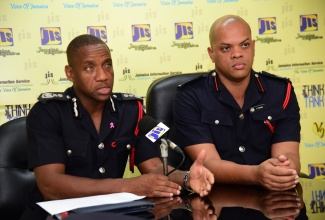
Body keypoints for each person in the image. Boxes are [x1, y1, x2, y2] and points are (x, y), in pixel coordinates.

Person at [21, 34, 214, 219]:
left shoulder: (130, 110)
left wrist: (187, 178)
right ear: (70, 73)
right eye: (89, 68)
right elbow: (50, 186)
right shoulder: (47, 112)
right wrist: (126, 186)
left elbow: (153, 168)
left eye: (107, 65)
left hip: (109, 214)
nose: (103, 76)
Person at [173, 15, 301, 191]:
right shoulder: (190, 96)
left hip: (271, 195)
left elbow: (289, 153)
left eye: (245, 45)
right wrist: (256, 174)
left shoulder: (281, 91)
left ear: (254, 47)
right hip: (214, 201)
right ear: (212, 54)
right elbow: (208, 163)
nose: (237, 53)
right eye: (226, 48)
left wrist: (285, 169)